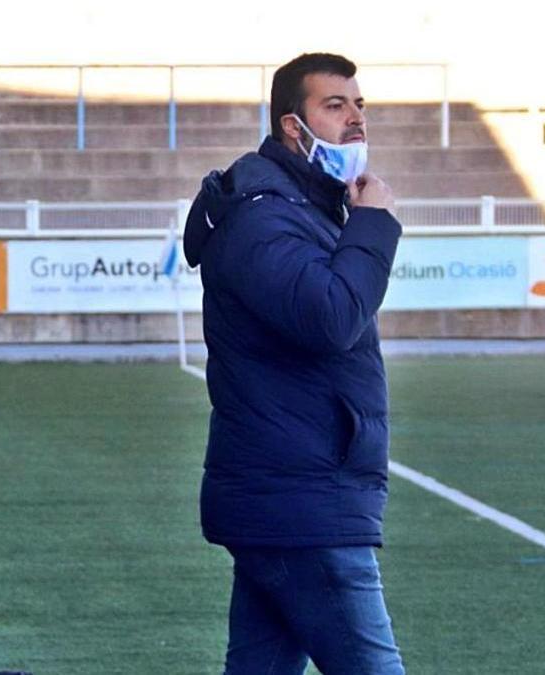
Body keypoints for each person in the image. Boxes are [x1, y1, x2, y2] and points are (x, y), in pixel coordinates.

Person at [183, 52, 405, 674]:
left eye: (360, 105)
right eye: (334, 106)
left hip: (290, 496)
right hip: (304, 502)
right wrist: (373, 225)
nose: (355, 119)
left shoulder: (298, 207)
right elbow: (330, 318)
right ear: (292, 126)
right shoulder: (264, 214)